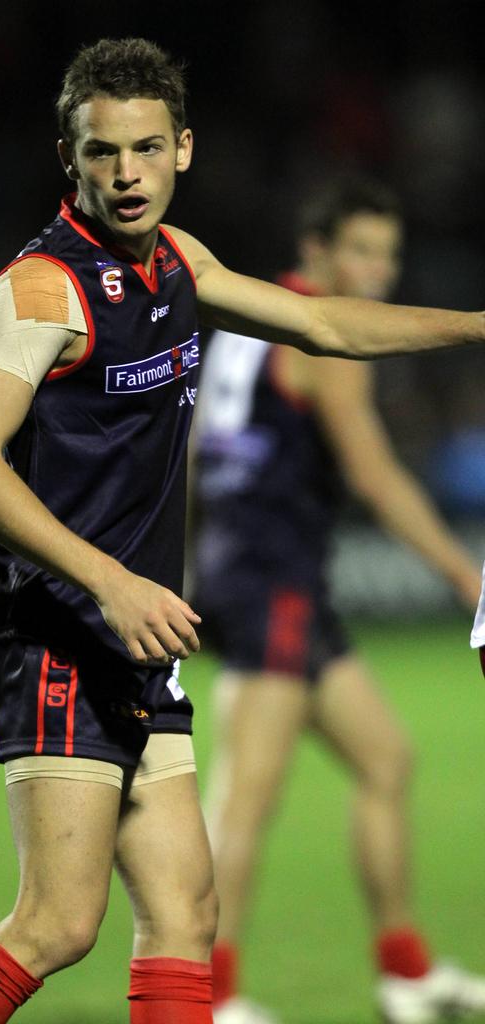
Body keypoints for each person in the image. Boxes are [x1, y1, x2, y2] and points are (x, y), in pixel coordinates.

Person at [0, 38, 485, 1024]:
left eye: (146, 148)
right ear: (70, 157)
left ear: (184, 148)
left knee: (186, 915)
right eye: (103, 152)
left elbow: (332, 327)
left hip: (141, 636)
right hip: (55, 629)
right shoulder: (41, 290)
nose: (127, 173)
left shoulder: (180, 264)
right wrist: (112, 581)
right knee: (59, 923)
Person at [191, 177, 485, 1024]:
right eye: (362, 251)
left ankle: (405, 971)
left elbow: (201, 454)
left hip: (250, 568)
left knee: (385, 760)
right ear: (317, 253)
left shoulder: (250, 321)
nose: (379, 273)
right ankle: (209, 998)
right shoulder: (324, 335)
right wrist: (464, 574)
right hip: (274, 578)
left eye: (389, 257)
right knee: (247, 792)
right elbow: (374, 476)